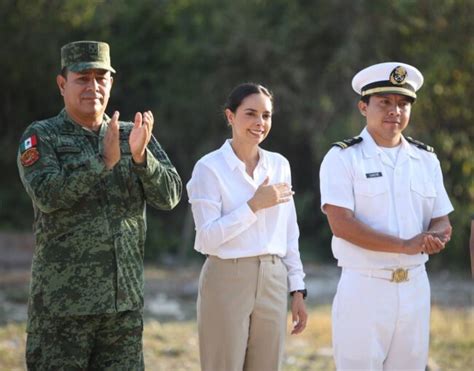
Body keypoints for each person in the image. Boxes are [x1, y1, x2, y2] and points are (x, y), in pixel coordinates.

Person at [17, 40, 182, 370]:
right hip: (63, 310)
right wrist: (101, 161)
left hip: (123, 308)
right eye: (82, 78)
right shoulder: (42, 136)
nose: (93, 86)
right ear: (62, 84)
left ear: (111, 83)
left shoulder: (130, 134)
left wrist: (140, 157)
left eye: (101, 78)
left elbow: (170, 196)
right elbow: (48, 195)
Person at [319, 62, 454, 370]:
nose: (395, 110)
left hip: (415, 287)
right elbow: (341, 224)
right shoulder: (342, 157)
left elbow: (441, 220)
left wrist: (438, 238)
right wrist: (405, 244)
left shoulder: (425, 159)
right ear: (363, 107)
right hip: (365, 287)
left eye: (403, 103)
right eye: (385, 102)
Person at [186, 83, 308, 371]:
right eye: (250, 114)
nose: (259, 123)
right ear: (230, 116)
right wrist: (253, 206)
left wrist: (298, 290)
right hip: (226, 277)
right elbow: (206, 239)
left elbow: (290, 233)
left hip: (274, 279)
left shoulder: (280, 165)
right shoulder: (208, 168)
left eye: (266, 115)